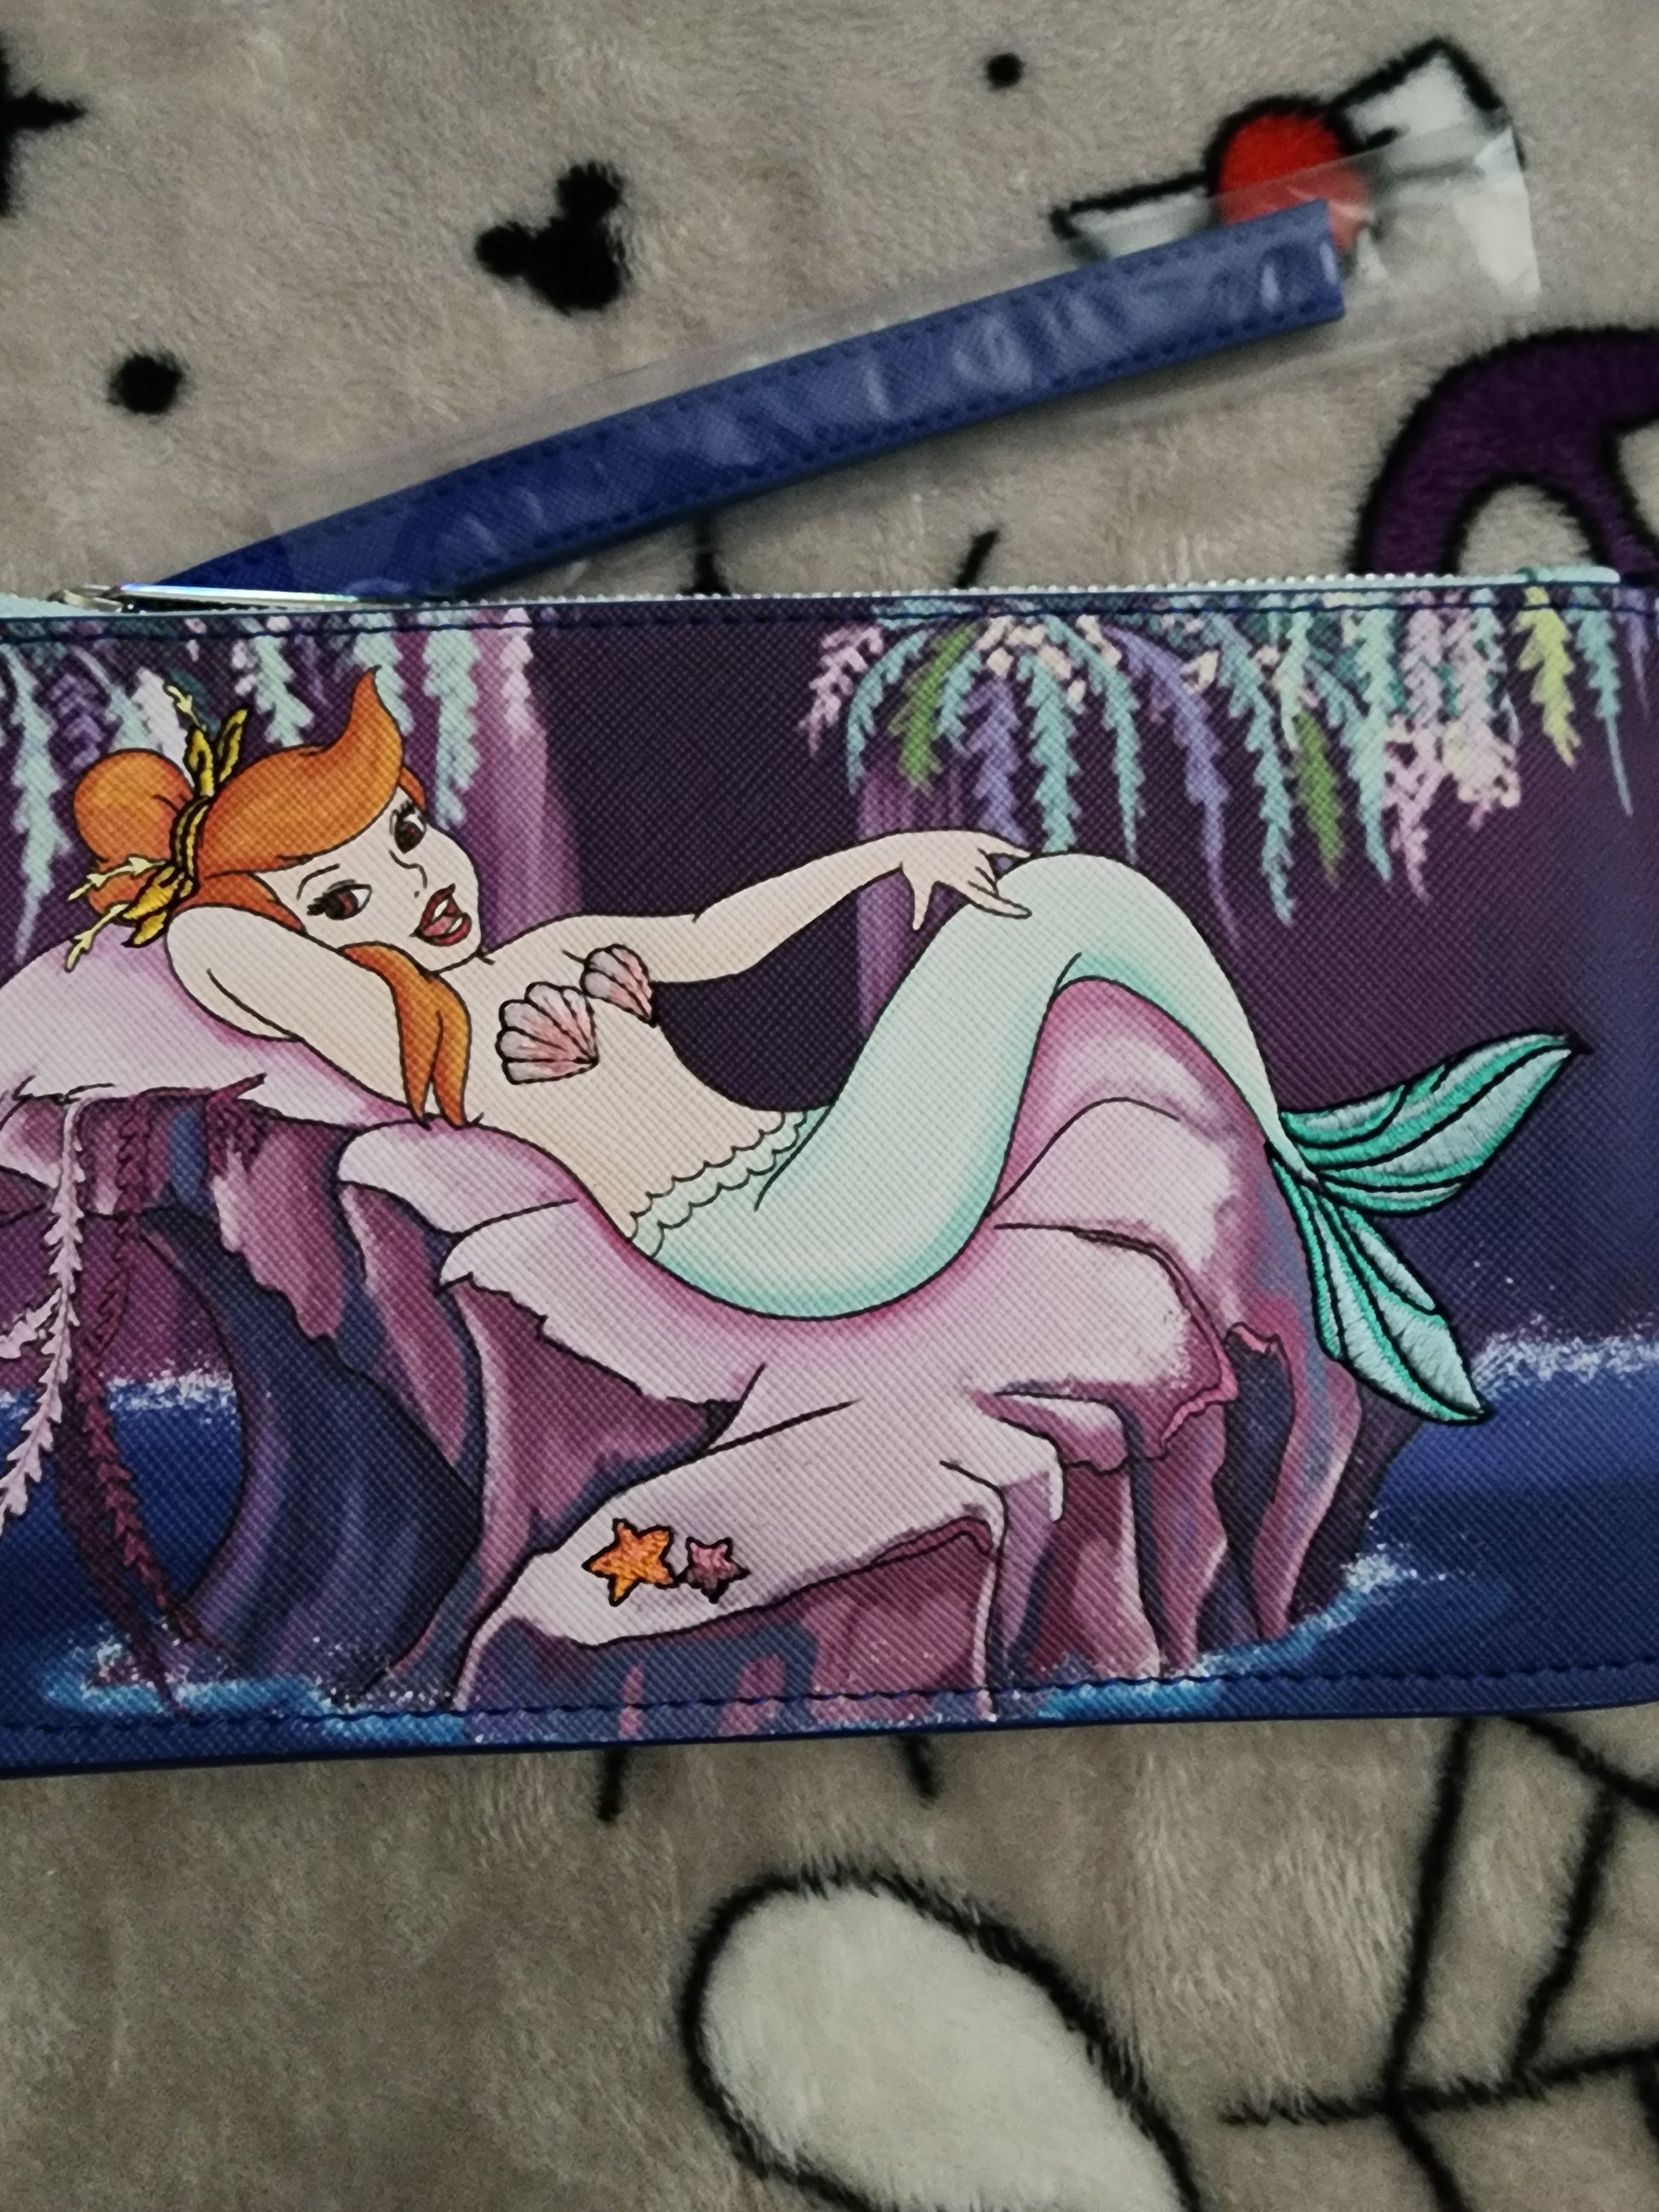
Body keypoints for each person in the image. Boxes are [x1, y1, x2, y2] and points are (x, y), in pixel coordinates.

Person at [67, 669, 1568, 1423]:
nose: (416, 884)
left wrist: (890, 857)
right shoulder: (429, 1035)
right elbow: (213, 950)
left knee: (1062, 898)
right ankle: (1317, 1157)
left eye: (405, 835)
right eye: (349, 898)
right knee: (1063, 903)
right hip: (773, 1235)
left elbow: (715, 935)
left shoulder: (546, 958)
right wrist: (200, 867)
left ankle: (1294, 1147)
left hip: (814, 1175)